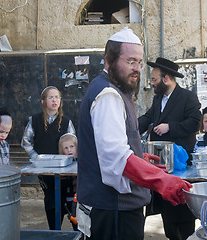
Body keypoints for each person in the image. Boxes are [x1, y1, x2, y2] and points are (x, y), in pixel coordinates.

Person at [76, 27, 192, 240]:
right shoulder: (108, 95)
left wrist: (139, 158)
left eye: (139, 62)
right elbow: (116, 157)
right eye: (130, 61)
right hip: (113, 211)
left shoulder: (114, 89)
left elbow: (107, 148)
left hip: (113, 209)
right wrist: (161, 180)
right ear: (109, 60)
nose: (137, 69)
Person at [138, 57, 201, 240]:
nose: (152, 83)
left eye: (154, 80)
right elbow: (149, 117)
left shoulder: (188, 97)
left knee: (182, 215)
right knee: (167, 216)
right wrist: (131, 126)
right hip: (162, 164)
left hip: (180, 166)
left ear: (166, 79)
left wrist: (170, 127)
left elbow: (194, 123)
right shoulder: (158, 99)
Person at [21, 86, 76, 230]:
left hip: (66, 171)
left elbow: (74, 143)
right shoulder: (35, 120)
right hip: (45, 171)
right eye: (50, 97)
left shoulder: (66, 122)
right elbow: (25, 142)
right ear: (43, 101)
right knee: (51, 201)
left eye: (57, 97)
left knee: (70, 201)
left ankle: (76, 232)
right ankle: (54, 231)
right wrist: (36, 159)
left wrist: (70, 159)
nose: (54, 100)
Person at [58, 133, 78, 231]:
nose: (69, 150)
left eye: (71, 147)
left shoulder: (82, 160)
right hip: (69, 199)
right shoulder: (62, 163)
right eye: (65, 148)